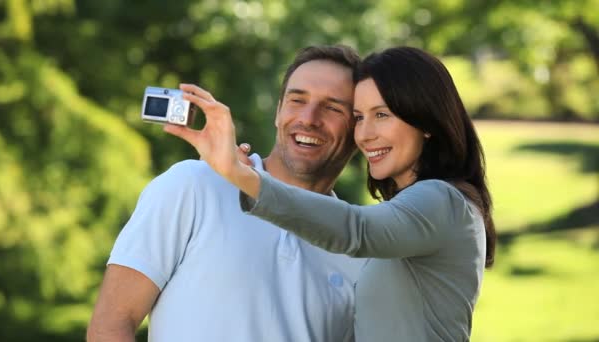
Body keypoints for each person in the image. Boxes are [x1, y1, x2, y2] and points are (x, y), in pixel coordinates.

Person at [164, 46, 497, 341]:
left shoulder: (442, 200)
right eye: (358, 118)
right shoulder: (417, 214)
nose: (365, 134)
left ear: (425, 120)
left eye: (381, 115)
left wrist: (239, 174)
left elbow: (357, 230)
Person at [87, 45, 368, 342]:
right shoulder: (192, 186)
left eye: (333, 108)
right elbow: (111, 325)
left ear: (358, 129)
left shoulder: (359, 248)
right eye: (297, 100)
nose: (309, 118)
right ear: (278, 112)